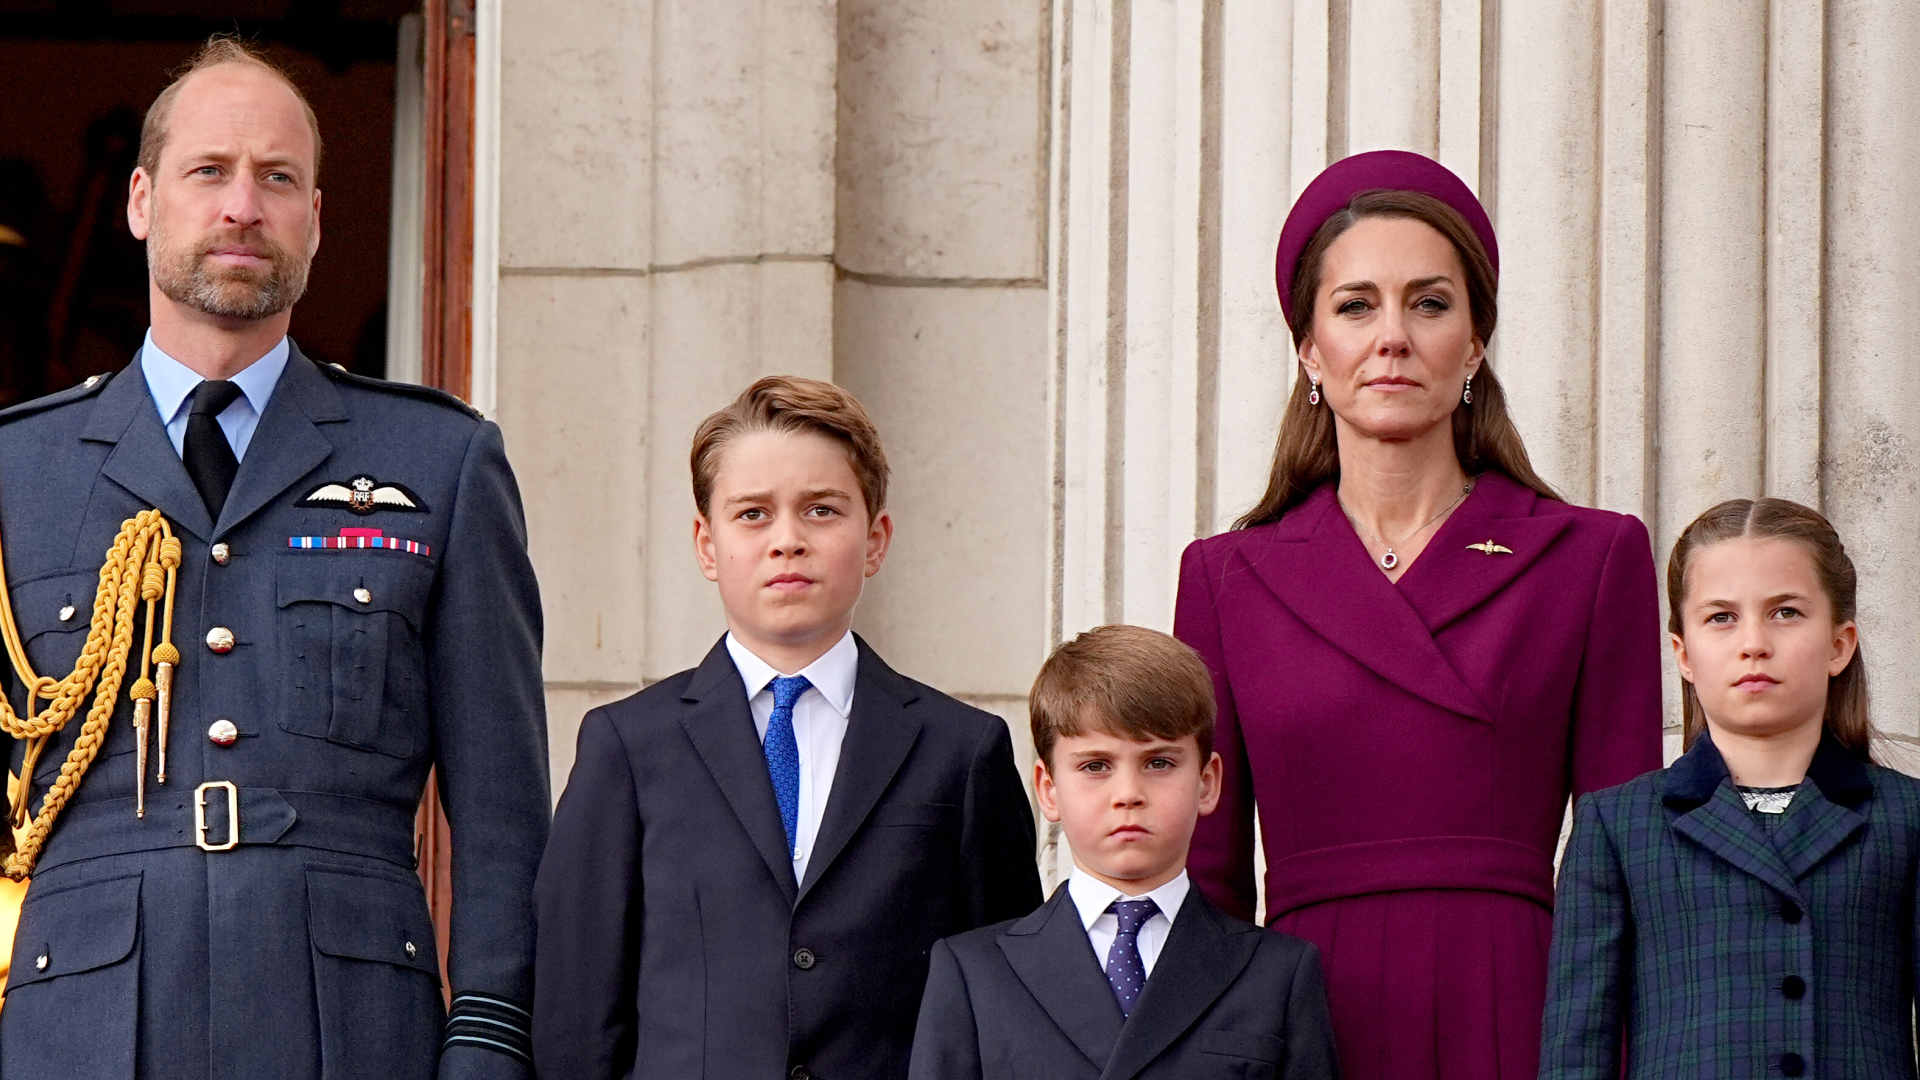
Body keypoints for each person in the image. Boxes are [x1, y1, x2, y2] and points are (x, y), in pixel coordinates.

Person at [0, 38, 549, 1080]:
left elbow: (505, 807)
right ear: (140, 201)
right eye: (209, 171)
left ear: (316, 218)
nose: (243, 205)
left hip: (350, 1031)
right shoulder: (14, 470)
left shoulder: (439, 461)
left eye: (278, 178)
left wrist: (487, 1037)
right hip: (73, 1036)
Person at [1172, 149, 1663, 1080]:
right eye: (1356, 305)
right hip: (1301, 1019)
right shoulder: (1226, 577)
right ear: (1310, 349)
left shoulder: (1592, 558)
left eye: (1430, 303)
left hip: (1524, 1010)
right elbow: (1210, 876)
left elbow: (1624, 872)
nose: (1391, 337)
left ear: (1475, 341)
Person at [532, 375, 1042, 1080]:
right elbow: (576, 1018)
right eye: (752, 515)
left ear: (875, 539)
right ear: (706, 545)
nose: (787, 541)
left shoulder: (961, 752)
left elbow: (1004, 1009)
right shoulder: (627, 747)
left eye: (821, 510)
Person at [1540, 499, 1920, 1078]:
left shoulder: (1906, 817)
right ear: (1683, 653)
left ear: (1840, 644)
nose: (1754, 643)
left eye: (1786, 612)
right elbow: (1577, 1052)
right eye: (1721, 617)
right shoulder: (1617, 826)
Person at [909, 624, 1340, 1080]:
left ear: (1208, 782)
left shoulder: (1278, 974)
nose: (1128, 793)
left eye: (1159, 762)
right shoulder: (974, 973)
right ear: (1048, 789)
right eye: (1096, 766)